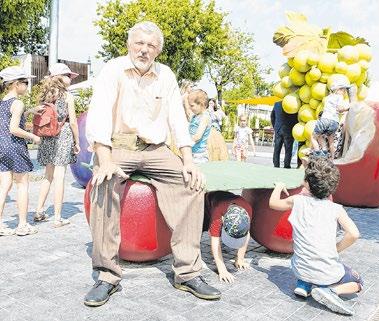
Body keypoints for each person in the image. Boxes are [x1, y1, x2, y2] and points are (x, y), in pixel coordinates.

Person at [84, 21, 220, 307]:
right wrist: (104, 159)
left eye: (151, 45)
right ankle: (107, 274)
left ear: (158, 50)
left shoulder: (166, 75)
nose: (144, 50)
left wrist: (188, 160)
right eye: (139, 44)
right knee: (103, 182)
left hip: (156, 149)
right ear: (129, 44)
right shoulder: (112, 70)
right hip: (119, 145)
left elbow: (177, 120)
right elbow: (98, 115)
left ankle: (188, 272)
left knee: (192, 184)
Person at [269, 156, 362, 316]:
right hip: (327, 274)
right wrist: (336, 249)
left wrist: (279, 186)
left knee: (307, 259)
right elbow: (354, 234)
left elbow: (273, 203)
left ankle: (304, 286)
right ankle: (332, 291)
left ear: (306, 182)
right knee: (358, 281)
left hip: (300, 269)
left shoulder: (297, 201)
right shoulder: (336, 209)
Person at [34, 63, 80, 227]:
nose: (70, 79)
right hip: (63, 135)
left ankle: (39, 211)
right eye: (68, 76)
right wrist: (77, 142)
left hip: (47, 136)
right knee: (60, 176)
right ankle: (57, 217)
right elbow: (73, 122)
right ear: (60, 77)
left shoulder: (45, 94)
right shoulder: (68, 96)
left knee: (48, 176)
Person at [0, 66, 41, 236]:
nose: (27, 85)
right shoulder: (18, 103)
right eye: (25, 82)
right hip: (15, 147)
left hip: (2, 147)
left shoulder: (3, 103)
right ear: (16, 84)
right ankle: (23, 225)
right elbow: (14, 128)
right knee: (22, 184)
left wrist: (30, 111)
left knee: (4, 186)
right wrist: (33, 137)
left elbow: (8, 119)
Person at [204, 191, 252, 283]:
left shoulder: (247, 209)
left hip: (229, 201)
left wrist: (240, 259)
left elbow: (246, 232)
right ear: (223, 220)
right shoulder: (217, 215)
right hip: (207, 202)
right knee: (199, 230)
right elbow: (215, 240)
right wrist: (222, 270)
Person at [311, 78, 355, 158]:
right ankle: (333, 159)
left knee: (314, 137)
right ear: (337, 90)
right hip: (334, 123)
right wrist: (349, 108)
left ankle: (318, 153)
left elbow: (338, 108)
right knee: (331, 142)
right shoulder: (339, 97)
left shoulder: (329, 98)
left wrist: (345, 108)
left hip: (325, 120)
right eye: (342, 89)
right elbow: (340, 109)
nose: (344, 92)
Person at [271, 101, 297, 168]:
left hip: (278, 129)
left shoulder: (277, 104)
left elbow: (272, 116)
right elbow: (296, 118)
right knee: (288, 149)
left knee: (277, 148)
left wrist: (275, 127)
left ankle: (276, 164)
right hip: (289, 129)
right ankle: (287, 165)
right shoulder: (293, 103)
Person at [188, 89, 211, 163]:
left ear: (201, 104)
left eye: (192, 106)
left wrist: (185, 142)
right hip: (192, 152)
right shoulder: (195, 116)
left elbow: (198, 136)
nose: (190, 108)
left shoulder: (205, 117)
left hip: (199, 155)